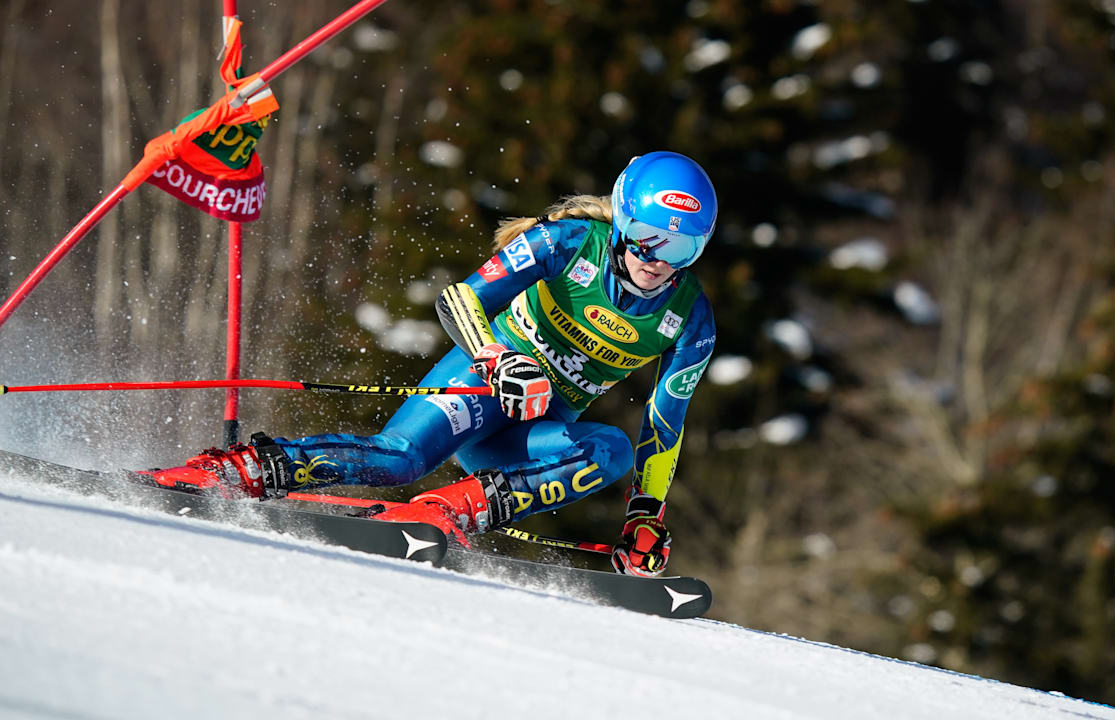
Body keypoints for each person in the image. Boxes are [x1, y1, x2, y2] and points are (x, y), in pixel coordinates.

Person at [143, 151, 717, 578]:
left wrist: (645, 515)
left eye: (679, 247)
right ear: (620, 222)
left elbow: (664, 427)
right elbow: (460, 300)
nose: (654, 260)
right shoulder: (565, 242)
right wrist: (498, 360)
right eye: (645, 237)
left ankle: (452, 510)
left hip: (534, 431)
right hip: (483, 383)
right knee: (401, 460)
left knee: (611, 449)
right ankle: (237, 470)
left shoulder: (691, 320)